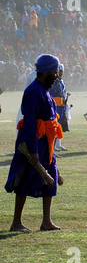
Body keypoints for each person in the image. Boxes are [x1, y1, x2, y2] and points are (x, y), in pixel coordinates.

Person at [5, 54, 63, 233]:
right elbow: (30, 122)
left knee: (50, 179)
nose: (57, 75)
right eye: (54, 72)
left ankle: (46, 221)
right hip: (34, 143)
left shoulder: (45, 89)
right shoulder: (34, 91)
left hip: (47, 143)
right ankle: (16, 222)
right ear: (46, 72)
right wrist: (33, 152)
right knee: (26, 178)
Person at [50, 64, 70, 151]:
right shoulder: (53, 81)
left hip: (62, 106)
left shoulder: (62, 82)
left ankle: (58, 144)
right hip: (55, 107)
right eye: (59, 72)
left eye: (62, 72)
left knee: (60, 125)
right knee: (54, 126)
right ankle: (53, 146)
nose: (60, 73)